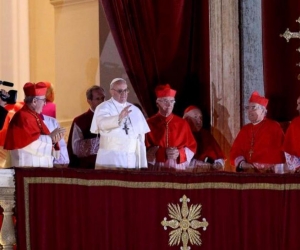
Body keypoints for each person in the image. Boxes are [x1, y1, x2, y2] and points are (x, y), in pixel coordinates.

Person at [90, 78, 150, 169]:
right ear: (112, 92)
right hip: (110, 159)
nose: (124, 94)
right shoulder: (103, 107)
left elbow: (140, 140)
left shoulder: (135, 110)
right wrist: (119, 118)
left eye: (126, 90)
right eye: (120, 91)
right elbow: (102, 124)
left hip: (131, 160)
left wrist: (142, 164)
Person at [4, 82, 66, 168]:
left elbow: (40, 140)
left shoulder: (35, 116)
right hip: (27, 166)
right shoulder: (23, 117)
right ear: (34, 101)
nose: (45, 104)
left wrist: (53, 140)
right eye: (44, 100)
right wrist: (50, 138)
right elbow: (28, 144)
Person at [230, 91, 285, 173]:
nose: (249, 111)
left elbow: (279, 153)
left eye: (253, 108)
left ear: (263, 110)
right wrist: (243, 164)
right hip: (247, 173)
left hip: (268, 174)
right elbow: (236, 152)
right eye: (248, 108)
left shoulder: (273, 126)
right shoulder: (245, 129)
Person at [145, 84, 197, 170]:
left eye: (172, 101)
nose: (169, 105)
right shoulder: (148, 123)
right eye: (165, 101)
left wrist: (179, 153)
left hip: (177, 166)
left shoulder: (183, 123)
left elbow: (192, 147)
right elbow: (143, 150)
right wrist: (162, 153)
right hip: (156, 166)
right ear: (157, 103)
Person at [67, 85, 106, 169]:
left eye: (103, 98)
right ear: (89, 101)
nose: (102, 101)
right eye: (98, 99)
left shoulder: (112, 117)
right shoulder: (80, 121)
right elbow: (75, 148)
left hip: (109, 165)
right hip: (88, 168)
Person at [183, 105, 225, 171]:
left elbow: (219, 158)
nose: (199, 121)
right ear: (186, 119)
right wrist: (199, 165)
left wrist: (217, 164)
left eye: (201, 118)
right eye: (195, 117)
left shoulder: (206, 134)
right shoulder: (180, 135)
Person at [282, 96, 300, 173]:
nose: (297, 108)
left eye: (299, 104)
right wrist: (297, 167)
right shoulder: (295, 123)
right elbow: (289, 150)